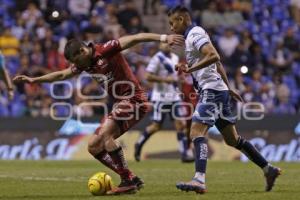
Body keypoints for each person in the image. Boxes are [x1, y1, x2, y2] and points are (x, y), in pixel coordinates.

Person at [13, 33, 184, 195]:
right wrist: (34, 80)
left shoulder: (105, 49)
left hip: (133, 98)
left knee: (105, 136)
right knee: (94, 146)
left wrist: (163, 37)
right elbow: (62, 74)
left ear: (82, 51)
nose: (76, 65)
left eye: (75, 60)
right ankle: (130, 177)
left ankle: (127, 181)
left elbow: (136, 38)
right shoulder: (84, 63)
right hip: (121, 103)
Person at [167, 6, 281, 194]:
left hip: (211, 91)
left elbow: (214, 56)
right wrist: (228, 88)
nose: (171, 28)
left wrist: (190, 69)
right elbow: (216, 64)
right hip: (219, 90)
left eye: (172, 23)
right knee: (232, 140)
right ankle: (269, 169)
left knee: (196, 132)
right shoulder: (193, 38)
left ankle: (199, 180)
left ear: (182, 20)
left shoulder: (194, 33)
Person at [134, 43, 194, 163]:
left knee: (181, 125)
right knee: (156, 126)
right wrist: (165, 80)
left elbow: (174, 76)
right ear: (160, 45)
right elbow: (147, 76)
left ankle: (184, 154)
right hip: (160, 97)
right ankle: (139, 144)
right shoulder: (157, 58)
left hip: (174, 96)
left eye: (168, 44)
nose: (166, 46)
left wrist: (179, 81)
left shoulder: (175, 58)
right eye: (164, 43)